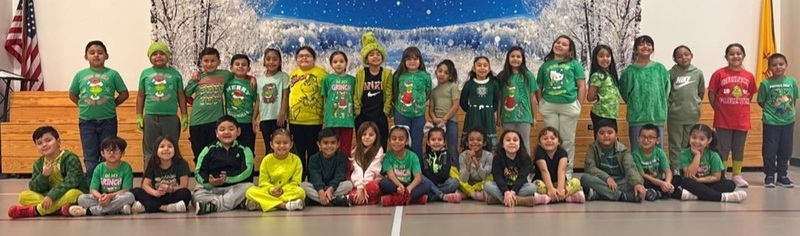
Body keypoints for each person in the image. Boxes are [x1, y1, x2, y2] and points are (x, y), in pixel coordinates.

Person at [68, 40, 129, 182]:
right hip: (87, 122)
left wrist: (113, 104)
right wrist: (83, 105)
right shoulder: (80, 75)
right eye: (92, 52)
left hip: (108, 121)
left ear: (106, 56)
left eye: (100, 52)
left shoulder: (113, 74)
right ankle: (92, 185)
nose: (96, 55)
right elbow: (72, 94)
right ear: (86, 56)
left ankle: (107, 184)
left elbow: (124, 93)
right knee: (90, 156)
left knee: (108, 154)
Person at [7, 126, 89, 219]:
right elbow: (34, 187)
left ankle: (35, 211)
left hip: (66, 194)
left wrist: (51, 196)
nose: (44, 145)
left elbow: (71, 182)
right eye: (39, 143)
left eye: (48, 140)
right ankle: (58, 209)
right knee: (23, 196)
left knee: (74, 193)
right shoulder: (38, 163)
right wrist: (43, 176)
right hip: (50, 197)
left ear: (58, 142)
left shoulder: (70, 158)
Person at [707, 43, 757, 187]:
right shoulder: (719, 74)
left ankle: (737, 174)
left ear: (743, 56)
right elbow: (711, 94)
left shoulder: (749, 76)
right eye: (732, 54)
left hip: (742, 120)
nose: (735, 56)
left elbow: (749, 96)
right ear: (726, 57)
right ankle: (722, 174)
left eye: (738, 53)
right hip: (723, 119)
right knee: (723, 148)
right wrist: (719, 109)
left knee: (738, 148)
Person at [536, 35, 586, 179]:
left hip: (569, 105)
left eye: (564, 44)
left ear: (570, 50)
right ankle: (551, 173)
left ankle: (567, 173)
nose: (559, 45)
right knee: (549, 140)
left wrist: (579, 104)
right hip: (549, 105)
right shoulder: (545, 66)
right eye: (557, 42)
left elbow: (581, 85)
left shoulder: (574, 64)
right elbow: (539, 86)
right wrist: (541, 103)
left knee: (567, 140)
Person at [135, 41, 188, 168]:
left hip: (171, 117)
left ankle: (171, 174)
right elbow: (140, 95)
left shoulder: (175, 74)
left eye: (162, 53)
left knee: (171, 148)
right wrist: (139, 115)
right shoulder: (145, 73)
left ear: (168, 56)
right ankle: (150, 175)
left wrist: (185, 115)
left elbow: (181, 95)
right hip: (150, 117)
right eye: (154, 54)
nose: (158, 56)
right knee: (150, 149)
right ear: (149, 57)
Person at [193, 115, 255, 215]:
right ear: (216, 133)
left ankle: (214, 205)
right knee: (196, 195)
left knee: (249, 187)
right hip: (212, 189)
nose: (226, 132)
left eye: (231, 129)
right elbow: (198, 172)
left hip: (234, 187)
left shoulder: (245, 149)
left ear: (238, 131)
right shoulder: (208, 149)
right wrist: (209, 182)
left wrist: (228, 179)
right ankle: (236, 203)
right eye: (222, 129)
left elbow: (247, 171)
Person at [67, 137, 136, 216]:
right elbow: (93, 190)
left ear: (123, 153)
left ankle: (89, 211)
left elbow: (126, 189)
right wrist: (101, 197)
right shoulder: (99, 168)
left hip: (117, 197)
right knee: (81, 199)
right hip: (102, 198)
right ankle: (118, 209)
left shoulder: (126, 167)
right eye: (108, 150)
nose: (112, 153)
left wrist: (110, 196)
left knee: (130, 196)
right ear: (102, 153)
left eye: (115, 150)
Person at [757, 53, 798, 188]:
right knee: (770, 149)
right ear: (769, 67)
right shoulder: (765, 83)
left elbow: (793, 99)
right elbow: (761, 101)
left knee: (786, 149)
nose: (778, 67)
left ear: (786, 65)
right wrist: (771, 113)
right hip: (771, 122)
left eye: (781, 64)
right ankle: (769, 175)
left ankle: (782, 175)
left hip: (788, 121)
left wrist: (788, 112)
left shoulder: (792, 82)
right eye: (774, 65)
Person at [580, 120, 646, 203]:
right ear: (596, 135)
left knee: (637, 180)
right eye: (601, 133)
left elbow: (630, 167)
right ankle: (621, 196)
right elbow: (590, 168)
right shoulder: (593, 148)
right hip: (602, 180)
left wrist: (637, 183)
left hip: (620, 182)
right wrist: (607, 178)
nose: (606, 135)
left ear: (616, 135)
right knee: (585, 179)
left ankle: (600, 195)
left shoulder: (623, 150)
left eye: (610, 132)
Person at [244, 128, 306, 212]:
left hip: (286, 192)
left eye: (285, 143)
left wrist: (283, 190)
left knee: (300, 192)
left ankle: (263, 203)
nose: (282, 146)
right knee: (250, 191)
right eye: (278, 143)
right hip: (269, 192)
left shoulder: (296, 160)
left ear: (291, 144)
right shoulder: (266, 160)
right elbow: (263, 182)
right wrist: (271, 189)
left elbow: (296, 182)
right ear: (271, 144)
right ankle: (284, 205)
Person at [131, 136, 192, 213]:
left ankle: (148, 207)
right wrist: (155, 193)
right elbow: (145, 185)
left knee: (185, 193)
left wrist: (171, 189)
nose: (166, 149)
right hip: (156, 196)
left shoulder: (181, 163)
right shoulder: (153, 163)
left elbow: (184, 185)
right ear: (156, 150)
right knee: (136, 191)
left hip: (172, 194)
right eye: (162, 146)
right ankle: (167, 208)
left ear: (175, 149)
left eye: (170, 146)